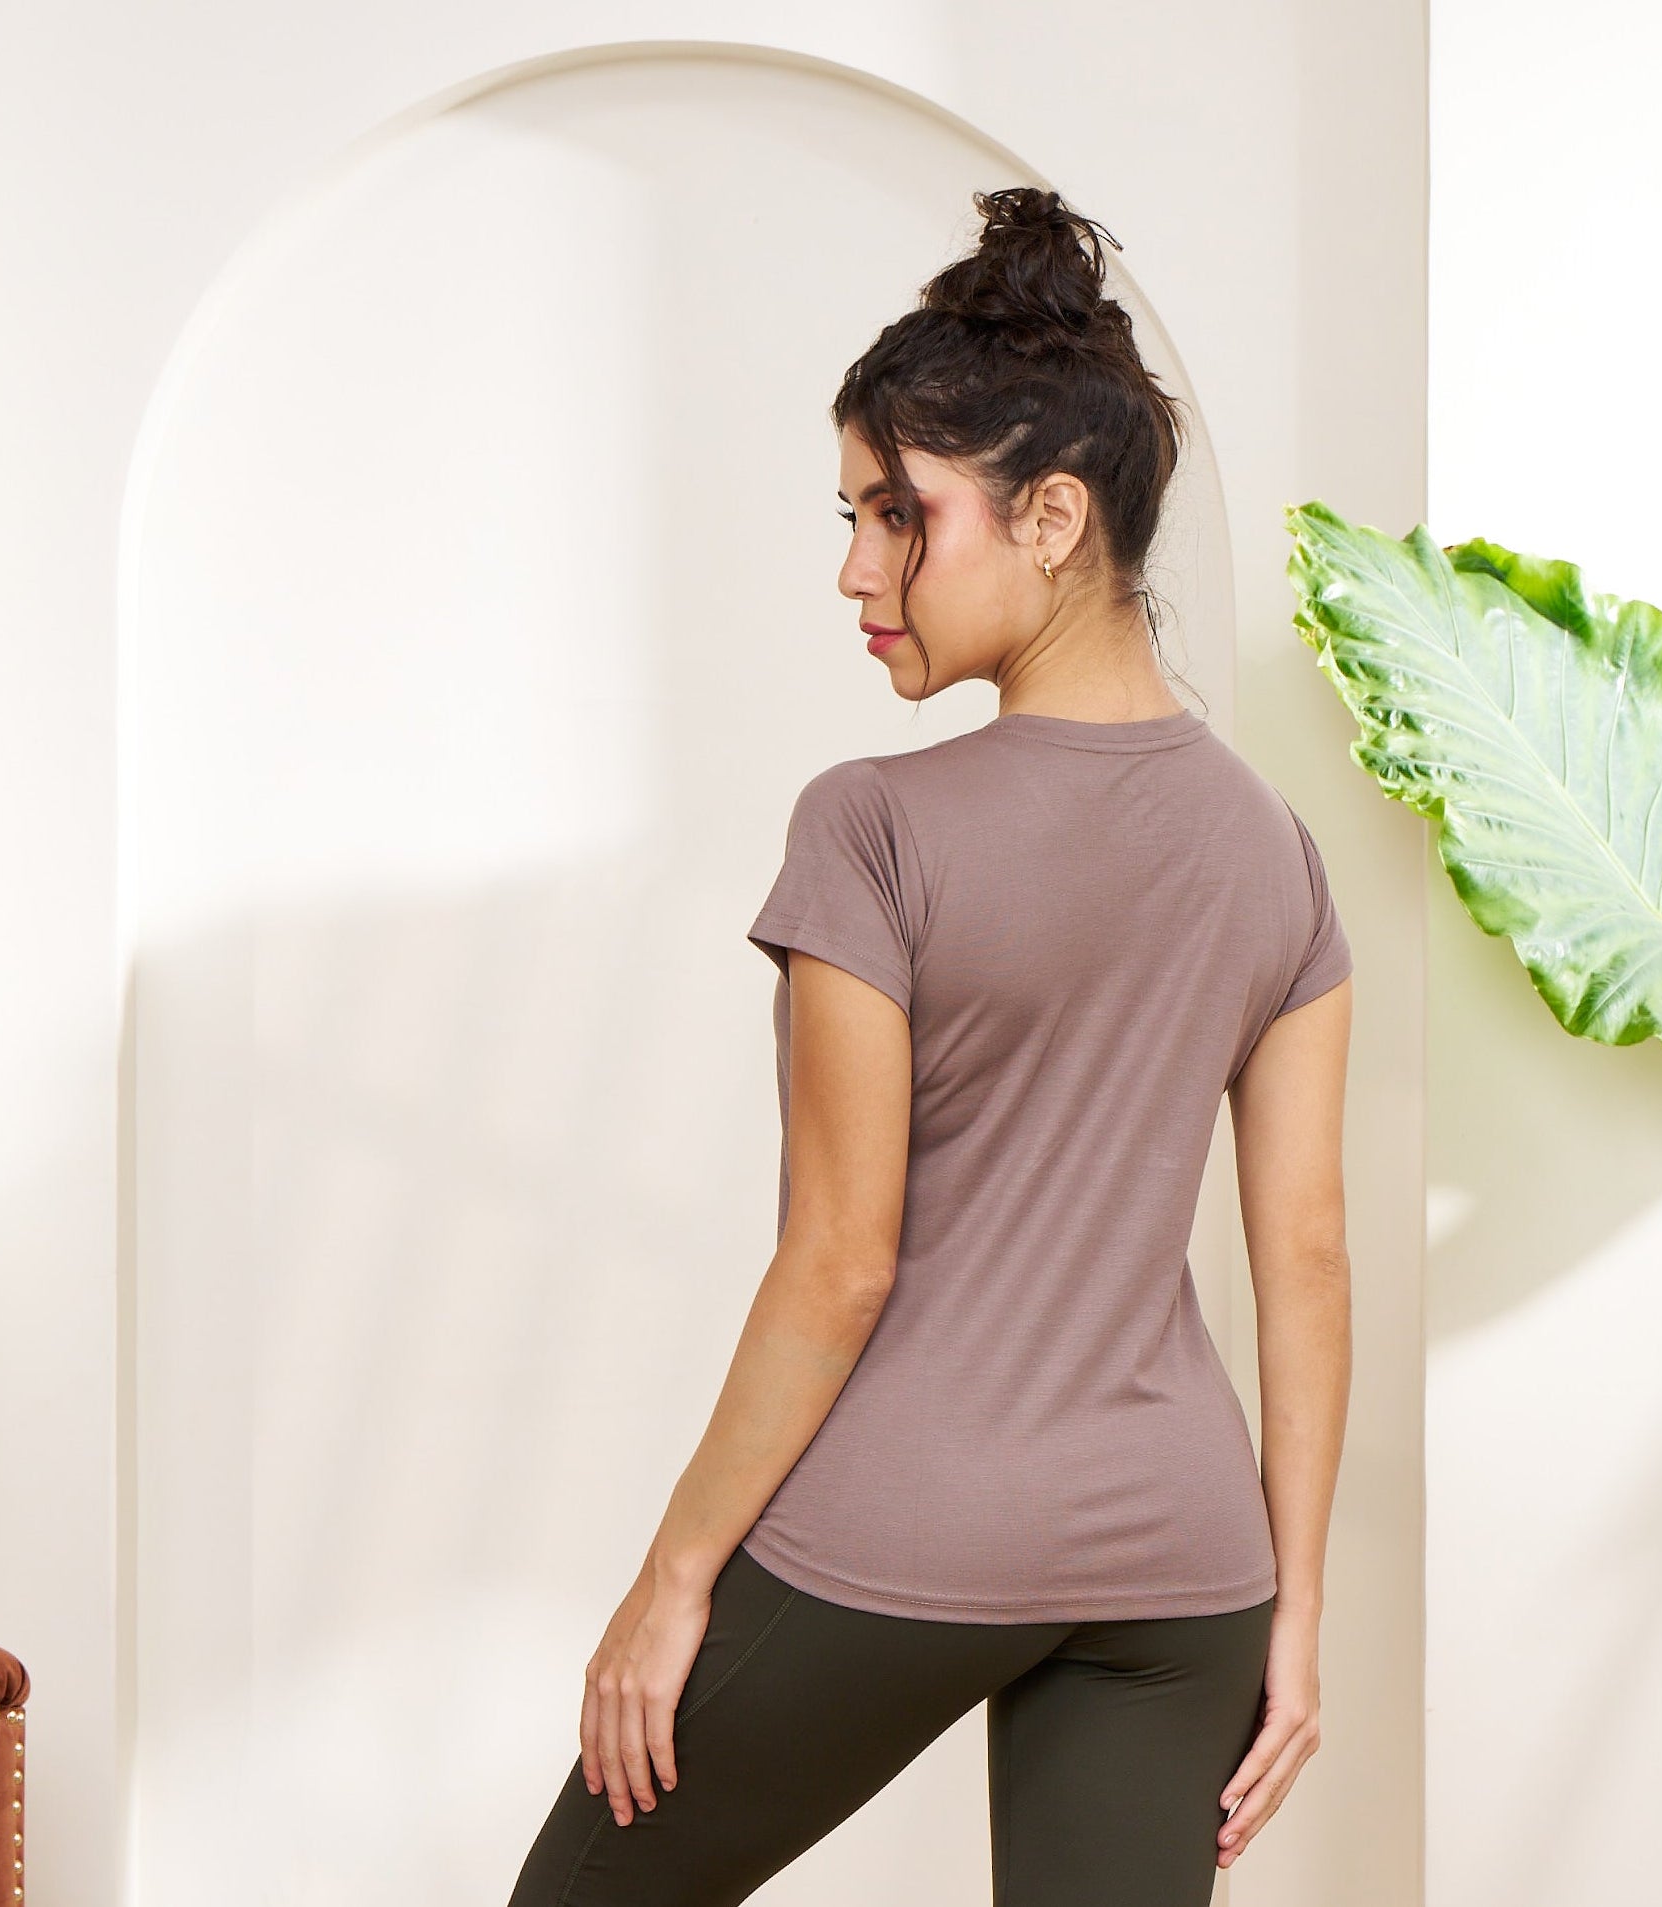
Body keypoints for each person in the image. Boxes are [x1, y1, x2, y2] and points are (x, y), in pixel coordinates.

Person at [507, 184, 1353, 1907]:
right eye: (851, 515)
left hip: (915, 1525)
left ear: (1052, 518)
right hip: (1187, 1566)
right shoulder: (1273, 844)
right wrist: (1298, 1613)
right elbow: (1312, 1261)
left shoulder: (873, 828)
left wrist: (676, 1580)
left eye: (901, 516)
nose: (856, 567)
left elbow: (839, 1260)